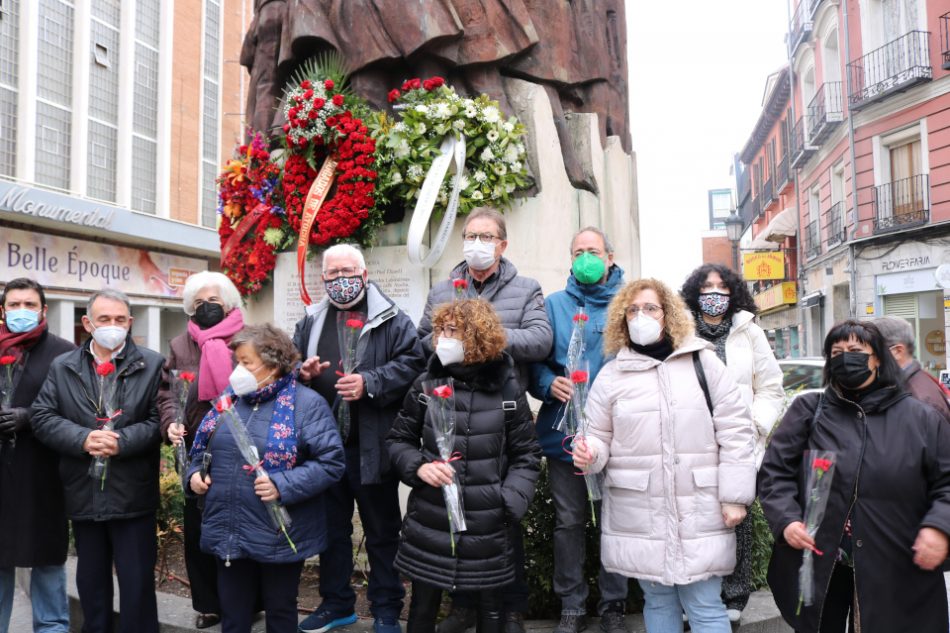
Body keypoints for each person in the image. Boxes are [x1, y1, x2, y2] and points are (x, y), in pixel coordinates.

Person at [572, 278, 756, 633]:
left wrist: (735, 496)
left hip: (699, 506)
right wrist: (588, 452)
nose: (641, 315)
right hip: (641, 510)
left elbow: (736, 431)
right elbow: (597, 436)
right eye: (633, 309)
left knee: (704, 604)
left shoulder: (703, 363)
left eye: (650, 308)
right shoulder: (612, 375)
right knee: (657, 602)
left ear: (668, 313)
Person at [758, 320, 950, 633]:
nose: (845, 357)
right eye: (837, 352)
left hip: (895, 564)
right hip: (820, 564)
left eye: (855, 350)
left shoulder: (919, 417)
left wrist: (939, 527)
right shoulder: (809, 411)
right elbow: (774, 473)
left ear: (878, 358)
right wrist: (787, 520)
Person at [418, 207, 552, 633]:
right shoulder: (443, 289)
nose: (477, 243)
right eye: (471, 235)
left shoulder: (527, 288)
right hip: (451, 409)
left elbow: (540, 338)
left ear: (502, 244)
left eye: (486, 236)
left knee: (498, 514)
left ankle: (508, 607)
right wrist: (449, 337)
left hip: (504, 409)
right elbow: (423, 338)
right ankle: (463, 605)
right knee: (457, 507)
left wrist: (482, 336)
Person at [388, 299, 542, 633]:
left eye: (452, 330)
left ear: (476, 336)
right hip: (430, 521)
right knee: (422, 609)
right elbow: (397, 440)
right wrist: (418, 467)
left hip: (487, 524)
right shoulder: (425, 385)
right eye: (440, 329)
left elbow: (526, 455)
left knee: (491, 612)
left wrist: (509, 501)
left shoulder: (507, 388)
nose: (442, 337)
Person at [293, 244, 425, 633]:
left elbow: (414, 364)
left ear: (364, 275)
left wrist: (371, 382)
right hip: (324, 449)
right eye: (331, 274)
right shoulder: (311, 321)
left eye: (346, 271)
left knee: (382, 531)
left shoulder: (392, 319)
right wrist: (302, 371)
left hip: (373, 446)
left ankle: (386, 609)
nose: (339, 280)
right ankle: (337, 604)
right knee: (331, 531)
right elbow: (289, 364)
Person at [188, 324, 346, 633]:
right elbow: (200, 452)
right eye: (237, 362)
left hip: (278, 533)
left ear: (273, 365)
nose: (238, 370)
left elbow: (331, 462)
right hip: (229, 527)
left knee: (280, 612)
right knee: (232, 613)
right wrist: (194, 475)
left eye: (246, 362)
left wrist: (282, 485)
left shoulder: (307, 404)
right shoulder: (227, 402)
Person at [32, 289, 164, 633]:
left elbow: (157, 421)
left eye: (120, 319)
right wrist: (83, 438)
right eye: (104, 319)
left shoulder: (151, 364)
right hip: (83, 490)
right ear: (87, 323)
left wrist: (122, 442)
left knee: (137, 586)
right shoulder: (63, 367)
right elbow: (42, 416)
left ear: (131, 322)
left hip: (132, 492)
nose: (113, 326)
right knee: (91, 584)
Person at [528, 228, 628, 633]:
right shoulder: (552, 305)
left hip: (616, 436)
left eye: (594, 251)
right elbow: (535, 361)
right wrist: (546, 383)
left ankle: (614, 604)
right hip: (563, 435)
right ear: (570, 259)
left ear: (610, 257)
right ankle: (572, 604)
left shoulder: (629, 303)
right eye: (579, 252)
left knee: (614, 520)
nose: (586, 257)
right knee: (569, 522)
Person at [680, 263, 784, 623]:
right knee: (694, 519)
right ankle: (696, 596)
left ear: (733, 292)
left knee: (736, 516)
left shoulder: (748, 331)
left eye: (721, 287)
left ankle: (735, 597)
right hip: (693, 442)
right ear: (695, 293)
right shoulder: (681, 330)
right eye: (706, 287)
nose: (714, 294)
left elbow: (771, 387)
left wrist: (754, 425)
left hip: (737, 441)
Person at [156, 271, 245, 629]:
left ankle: (245, 602)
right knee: (199, 527)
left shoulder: (249, 339)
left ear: (229, 305)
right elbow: (166, 393)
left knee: (241, 524)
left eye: (214, 302)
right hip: (197, 448)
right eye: (198, 303)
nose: (206, 308)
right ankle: (208, 604)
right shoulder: (180, 346)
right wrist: (170, 423)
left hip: (242, 445)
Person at [0, 279, 76, 633]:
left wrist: (29, 417)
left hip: (44, 473)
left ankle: (52, 628)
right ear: (2, 310)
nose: (21, 312)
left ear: (44, 310)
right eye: (14, 305)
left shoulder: (64, 353)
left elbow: (76, 408)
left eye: (29, 305)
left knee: (47, 558)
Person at [874, 315, 950, 423]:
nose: (867, 356)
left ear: (898, 351)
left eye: (874, 349)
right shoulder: (908, 384)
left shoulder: (921, 400)